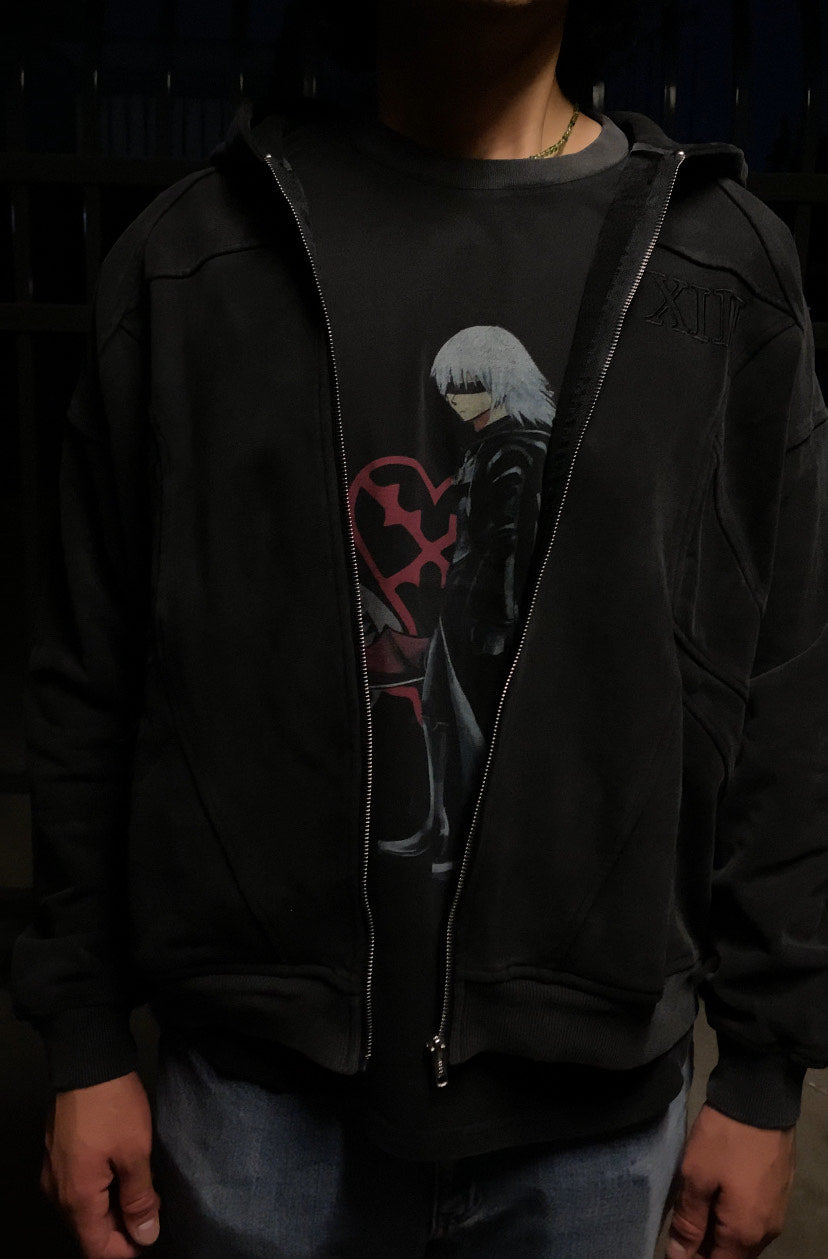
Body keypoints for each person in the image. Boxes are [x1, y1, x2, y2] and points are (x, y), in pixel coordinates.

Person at [10, 1, 827, 1256]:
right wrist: (82, 1035)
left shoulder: (718, 272)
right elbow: (91, 673)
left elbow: (787, 689)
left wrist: (766, 1069)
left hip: (590, 1113)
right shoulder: (194, 261)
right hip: (255, 1104)